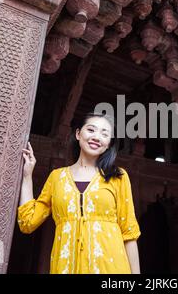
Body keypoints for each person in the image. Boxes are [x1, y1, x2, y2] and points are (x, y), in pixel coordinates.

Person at [18, 112, 141, 274]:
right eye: (91, 130)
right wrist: (27, 176)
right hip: (66, 267)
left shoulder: (118, 177)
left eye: (104, 134)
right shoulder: (57, 177)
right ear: (78, 134)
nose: (97, 137)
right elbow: (27, 222)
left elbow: (129, 233)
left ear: (109, 143)